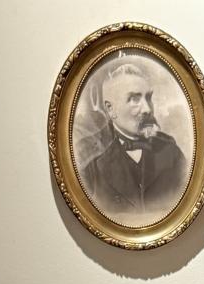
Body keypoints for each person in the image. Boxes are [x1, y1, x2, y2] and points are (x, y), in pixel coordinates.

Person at [80, 61, 188, 221]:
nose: (148, 109)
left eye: (148, 98)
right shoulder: (92, 169)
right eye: (135, 99)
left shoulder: (171, 153)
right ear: (110, 109)